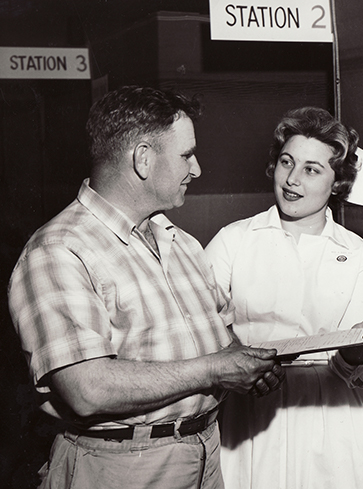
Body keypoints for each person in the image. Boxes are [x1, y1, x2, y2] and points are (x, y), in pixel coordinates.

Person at [7, 86, 284, 489]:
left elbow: (220, 341)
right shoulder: (58, 250)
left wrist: (248, 365)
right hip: (120, 466)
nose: (197, 169)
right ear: (142, 158)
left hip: (205, 451)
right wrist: (215, 371)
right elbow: (87, 389)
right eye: (186, 155)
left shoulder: (181, 243)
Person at [205, 106, 363, 489]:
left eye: (312, 169)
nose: (292, 179)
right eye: (286, 162)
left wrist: (361, 347)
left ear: (337, 182)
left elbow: (356, 368)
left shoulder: (358, 254)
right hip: (252, 414)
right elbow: (197, 327)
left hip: (333, 417)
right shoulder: (234, 240)